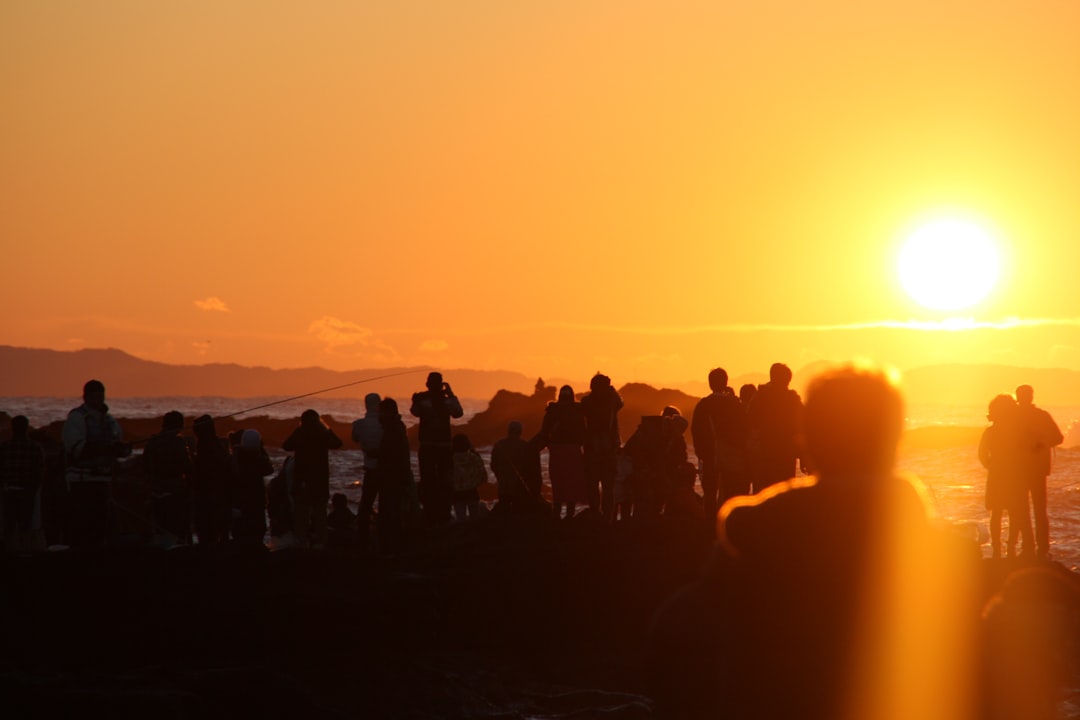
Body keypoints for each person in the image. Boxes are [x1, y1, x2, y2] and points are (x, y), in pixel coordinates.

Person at [648, 365, 982, 720]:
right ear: (895, 438)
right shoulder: (937, 562)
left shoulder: (753, 538)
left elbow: (674, 640)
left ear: (806, 437)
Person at [62, 380, 130, 548]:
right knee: (82, 527)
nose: (98, 399)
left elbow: (118, 446)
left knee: (102, 527)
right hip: (81, 482)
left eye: (101, 396)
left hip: (103, 481)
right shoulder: (76, 418)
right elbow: (75, 448)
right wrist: (104, 447)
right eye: (94, 396)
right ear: (85, 397)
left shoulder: (110, 421)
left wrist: (121, 449)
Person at [691, 368, 748, 527]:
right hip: (731, 455)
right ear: (726, 382)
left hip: (709, 456)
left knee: (709, 494)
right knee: (729, 493)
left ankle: (710, 527)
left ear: (710, 383)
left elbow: (696, 431)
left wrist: (701, 452)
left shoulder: (704, 405)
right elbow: (743, 430)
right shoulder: (734, 405)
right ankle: (727, 526)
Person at [978, 394, 1032, 558]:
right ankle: (1011, 549)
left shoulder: (990, 432)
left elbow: (982, 455)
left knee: (996, 513)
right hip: (1015, 476)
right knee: (1014, 513)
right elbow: (1027, 453)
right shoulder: (1016, 431)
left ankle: (996, 550)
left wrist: (990, 465)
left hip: (996, 475)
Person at [1014, 385, 1064, 559]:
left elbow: (1058, 438)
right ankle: (1036, 548)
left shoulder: (1020, 416)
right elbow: (1058, 438)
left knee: (1030, 510)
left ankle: (1034, 548)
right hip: (1026, 470)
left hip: (1030, 470)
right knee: (1033, 510)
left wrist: (1039, 444)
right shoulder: (1032, 416)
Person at [282, 409, 343, 549]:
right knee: (320, 514)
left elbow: (286, 445)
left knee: (301, 516)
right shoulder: (322, 434)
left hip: (301, 482)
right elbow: (338, 443)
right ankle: (320, 543)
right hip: (319, 482)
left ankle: (301, 543)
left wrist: (298, 430)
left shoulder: (300, 433)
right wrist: (327, 428)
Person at [410, 372, 463, 526]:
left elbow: (414, 411)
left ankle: (430, 513)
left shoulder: (422, 400)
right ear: (441, 385)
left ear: (427, 384)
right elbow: (458, 413)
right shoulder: (447, 401)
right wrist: (450, 394)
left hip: (428, 447)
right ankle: (443, 514)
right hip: (443, 447)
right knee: (444, 481)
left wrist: (415, 400)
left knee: (428, 481)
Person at [745, 362, 804, 493]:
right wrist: (803, 455)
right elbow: (803, 427)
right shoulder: (793, 400)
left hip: (765, 453)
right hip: (786, 454)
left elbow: (749, 422)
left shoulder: (760, 397)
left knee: (765, 492)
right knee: (786, 492)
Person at [142, 411, 194, 544]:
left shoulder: (152, 442)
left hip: (155, 492)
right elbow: (187, 467)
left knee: (160, 529)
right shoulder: (178, 443)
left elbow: (145, 467)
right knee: (177, 530)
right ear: (179, 425)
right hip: (174, 493)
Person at [539, 386, 590, 519]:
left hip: (556, 451)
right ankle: (569, 514)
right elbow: (584, 432)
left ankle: (556, 513)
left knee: (558, 482)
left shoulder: (552, 410)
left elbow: (544, 432)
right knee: (572, 482)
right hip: (573, 450)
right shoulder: (578, 410)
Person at [0, 415, 46, 553]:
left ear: (12, 428)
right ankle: (25, 553)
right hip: (27, 491)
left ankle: (10, 553)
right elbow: (40, 470)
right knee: (26, 524)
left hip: (8, 490)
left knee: (9, 524)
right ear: (26, 428)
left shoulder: (4, 447)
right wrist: (35, 487)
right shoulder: (35, 447)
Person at [581, 373, 623, 520]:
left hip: (593, 448)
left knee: (593, 485)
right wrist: (612, 390)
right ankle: (607, 517)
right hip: (607, 449)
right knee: (607, 486)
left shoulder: (586, 401)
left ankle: (595, 513)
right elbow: (620, 403)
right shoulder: (611, 400)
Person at [376, 397, 411, 553]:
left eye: (381, 412)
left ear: (387, 412)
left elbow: (390, 453)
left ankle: (390, 544)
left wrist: (375, 454)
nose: (379, 415)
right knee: (394, 508)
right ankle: (394, 542)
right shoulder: (398, 426)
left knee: (390, 508)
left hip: (391, 475)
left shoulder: (392, 428)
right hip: (397, 473)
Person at [190, 415, 232, 545]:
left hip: (209, 499)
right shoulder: (217, 445)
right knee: (219, 534)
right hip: (219, 497)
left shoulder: (205, 447)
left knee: (208, 535)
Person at [229, 429, 274, 545]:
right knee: (257, 534)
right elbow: (269, 468)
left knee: (241, 536)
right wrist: (262, 449)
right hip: (256, 502)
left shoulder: (236, 457)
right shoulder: (258, 459)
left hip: (240, 503)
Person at [351, 392, 383, 545]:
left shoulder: (359, 424)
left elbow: (355, 438)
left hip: (370, 469)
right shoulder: (387, 424)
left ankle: (362, 536)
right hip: (387, 469)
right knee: (387, 503)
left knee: (366, 503)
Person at [491, 421, 542, 513]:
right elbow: (530, 467)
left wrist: (499, 475)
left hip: (503, 483)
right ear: (520, 431)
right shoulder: (525, 445)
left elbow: (493, 464)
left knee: (504, 506)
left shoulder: (499, 445)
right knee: (517, 509)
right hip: (519, 485)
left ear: (509, 431)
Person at [451, 433, 487, 521]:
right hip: (472, 492)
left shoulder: (449, 459)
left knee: (461, 521)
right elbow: (483, 476)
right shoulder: (474, 457)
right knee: (474, 521)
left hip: (457, 494)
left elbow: (446, 477)